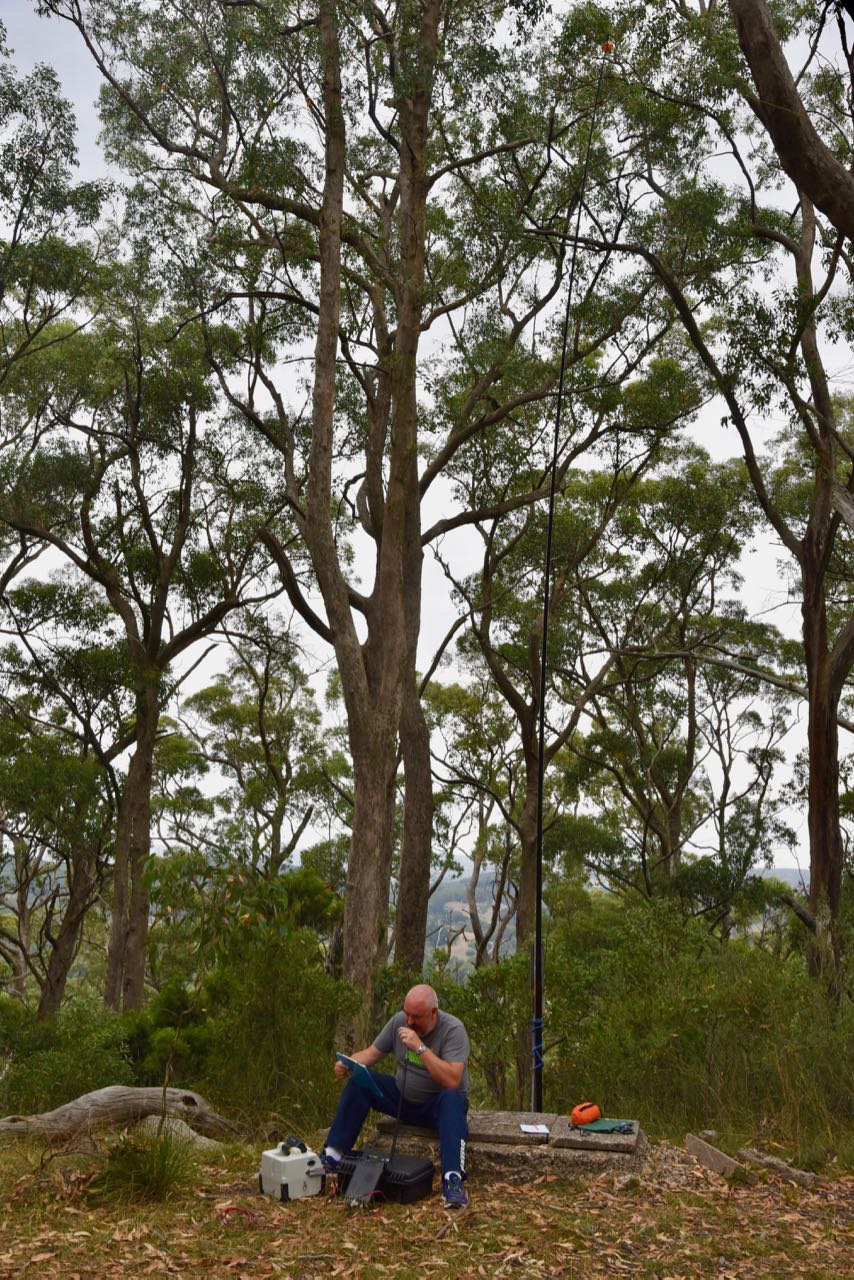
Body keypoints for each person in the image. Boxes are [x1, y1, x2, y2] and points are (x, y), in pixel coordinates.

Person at [321, 983, 470, 1208]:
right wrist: (348, 1063)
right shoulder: (398, 1021)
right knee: (360, 1081)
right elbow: (372, 1053)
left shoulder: (453, 1030)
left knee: (452, 1097)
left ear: (433, 1013)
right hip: (401, 1098)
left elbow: (452, 1079)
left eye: (416, 1017)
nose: (409, 1021)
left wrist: (420, 1048)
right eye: (407, 1013)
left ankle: (452, 1179)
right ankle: (333, 1154)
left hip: (436, 1106)